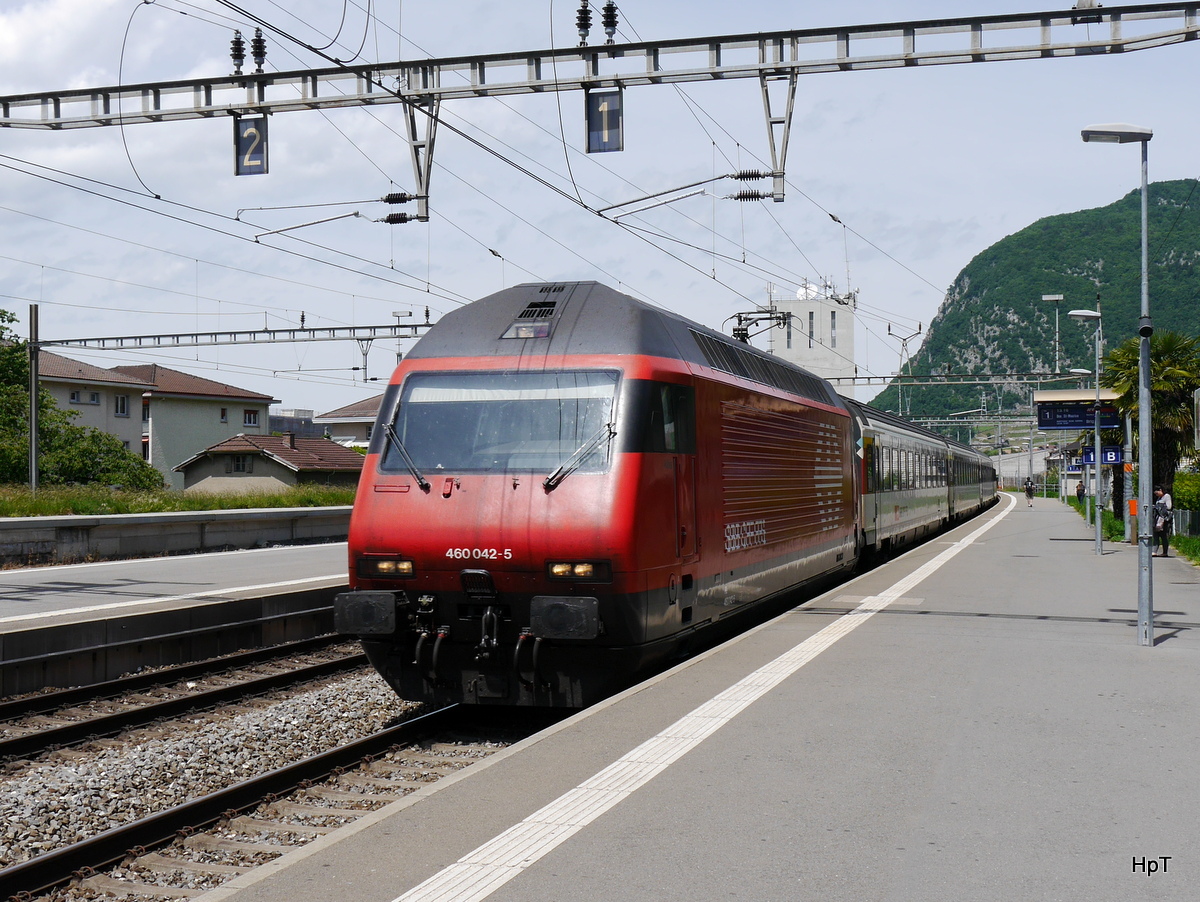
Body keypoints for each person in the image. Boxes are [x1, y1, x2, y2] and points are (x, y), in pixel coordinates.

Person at [1153, 485, 1173, 557]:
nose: (1156, 494)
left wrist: (1159, 507)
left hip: (1163, 519)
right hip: (1157, 519)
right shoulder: (1159, 498)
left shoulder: (1166, 496)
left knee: (1163, 535)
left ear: (1161, 490)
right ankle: (1154, 551)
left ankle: (1165, 552)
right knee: (1155, 534)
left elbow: (1169, 506)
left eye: (1157, 492)